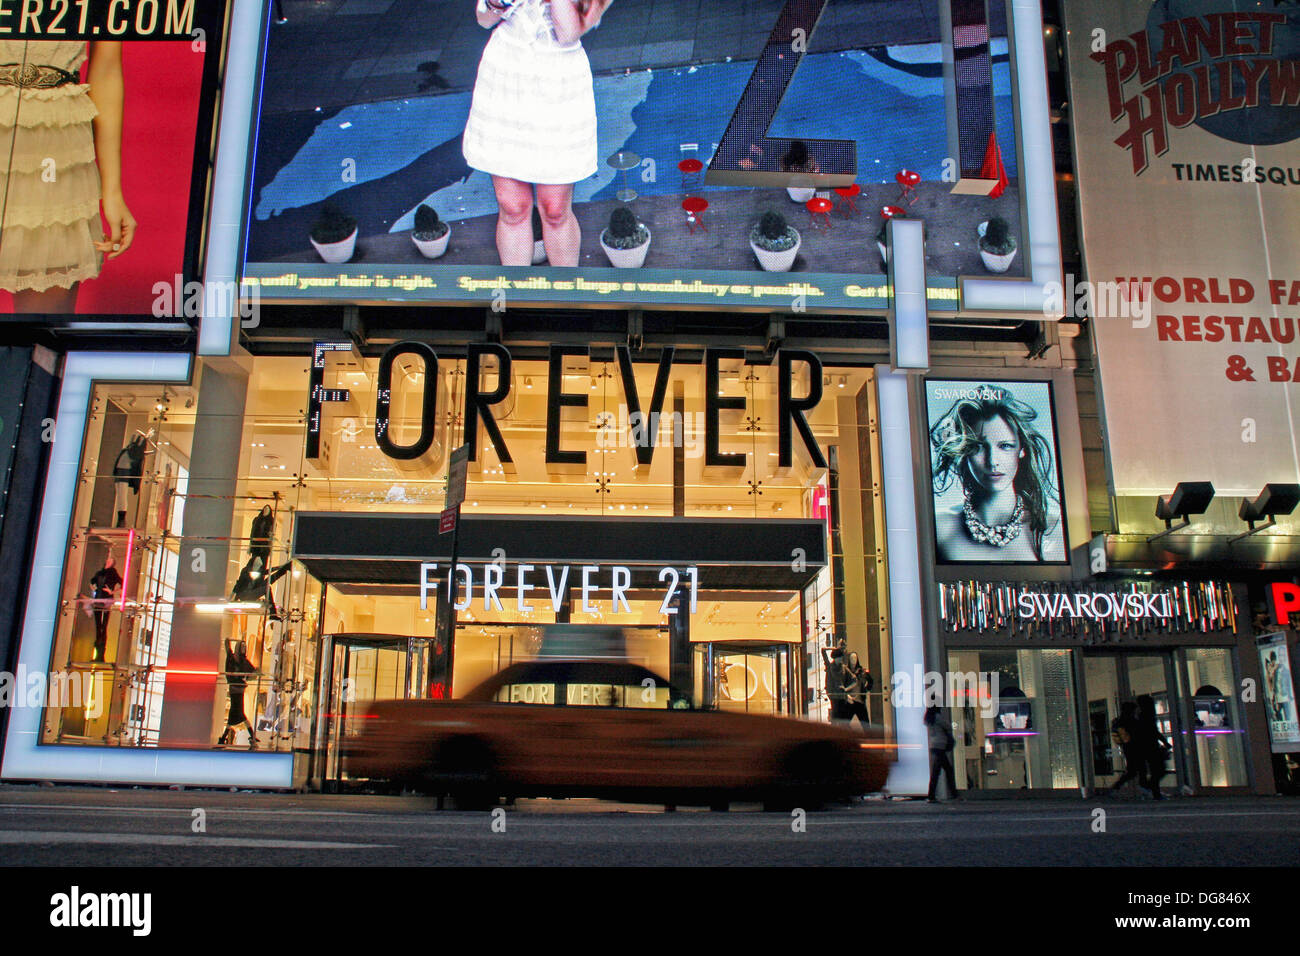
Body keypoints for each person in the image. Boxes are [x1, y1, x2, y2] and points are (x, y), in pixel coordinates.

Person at [462, 0, 613, 267]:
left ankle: (566, 291)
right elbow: (483, 19)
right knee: (512, 207)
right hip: (505, 76)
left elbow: (568, 33)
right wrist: (497, 3)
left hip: (559, 81)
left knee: (555, 210)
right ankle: (515, 291)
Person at [0, 40, 136, 313]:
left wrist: (112, 192)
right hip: (54, 138)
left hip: (55, 140)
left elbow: (106, 68)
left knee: (43, 326)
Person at [929, 385, 1064, 562]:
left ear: (1022, 449)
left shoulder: (1053, 529)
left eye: (1005, 446)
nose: (992, 461)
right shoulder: (940, 528)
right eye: (978, 447)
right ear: (963, 451)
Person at [219, 640, 261, 749]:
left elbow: (251, 673)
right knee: (239, 715)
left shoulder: (244, 661)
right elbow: (227, 646)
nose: (243, 649)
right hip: (235, 689)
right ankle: (251, 736)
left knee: (235, 716)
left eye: (244, 647)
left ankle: (223, 738)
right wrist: (229, 641)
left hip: (239, 690)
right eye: (242, 647)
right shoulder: (232, 658)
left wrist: (256, 672)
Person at [86, 556, 122, 662]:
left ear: (112, 563)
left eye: (110, 560)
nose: (107, 561)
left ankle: (101, 654)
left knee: (104, 626)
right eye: (107, 560)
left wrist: (112, 592)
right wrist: (94, 588)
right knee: (98, 626)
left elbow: (122, 583)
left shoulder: (113, 573)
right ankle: (98, 653)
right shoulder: (100, 573)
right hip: (98, 600)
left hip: (106, 601)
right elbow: (92, 582)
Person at [1108, 700, 1146, 795]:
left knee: (1133, 770)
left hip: (1127, 748)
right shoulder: (1131, 721)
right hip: (1134, 747)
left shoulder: (1119, 721)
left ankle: (1116, 787)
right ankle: (1143, 786)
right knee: (1139, 768)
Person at [1135, 694, 1168, 800]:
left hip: (1145, 746)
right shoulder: (1147, 716)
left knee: (1156, 770)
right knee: (1159, 769)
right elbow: (1154, 731)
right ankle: (1151, 789)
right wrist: (1164, 741)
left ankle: (1151, 789)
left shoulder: (1141, 716)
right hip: (1151, 746)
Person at [925, 706, 957, 802]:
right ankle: (932, 795)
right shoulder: (937, 717)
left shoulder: (928, 717)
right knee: (942, 771)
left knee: (943, 770)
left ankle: (933, 795)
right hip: (940, 745)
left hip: (933, 744)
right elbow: (948, 726)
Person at [845, 651, 873, 727]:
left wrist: (866, 688)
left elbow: (870, 681)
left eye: (855, 658)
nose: (853, 660)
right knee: (844, 725)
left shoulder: (862, 671)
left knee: (866, 726)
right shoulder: (846, 672)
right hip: (849, 701)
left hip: (860, 701)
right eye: (851, 658)